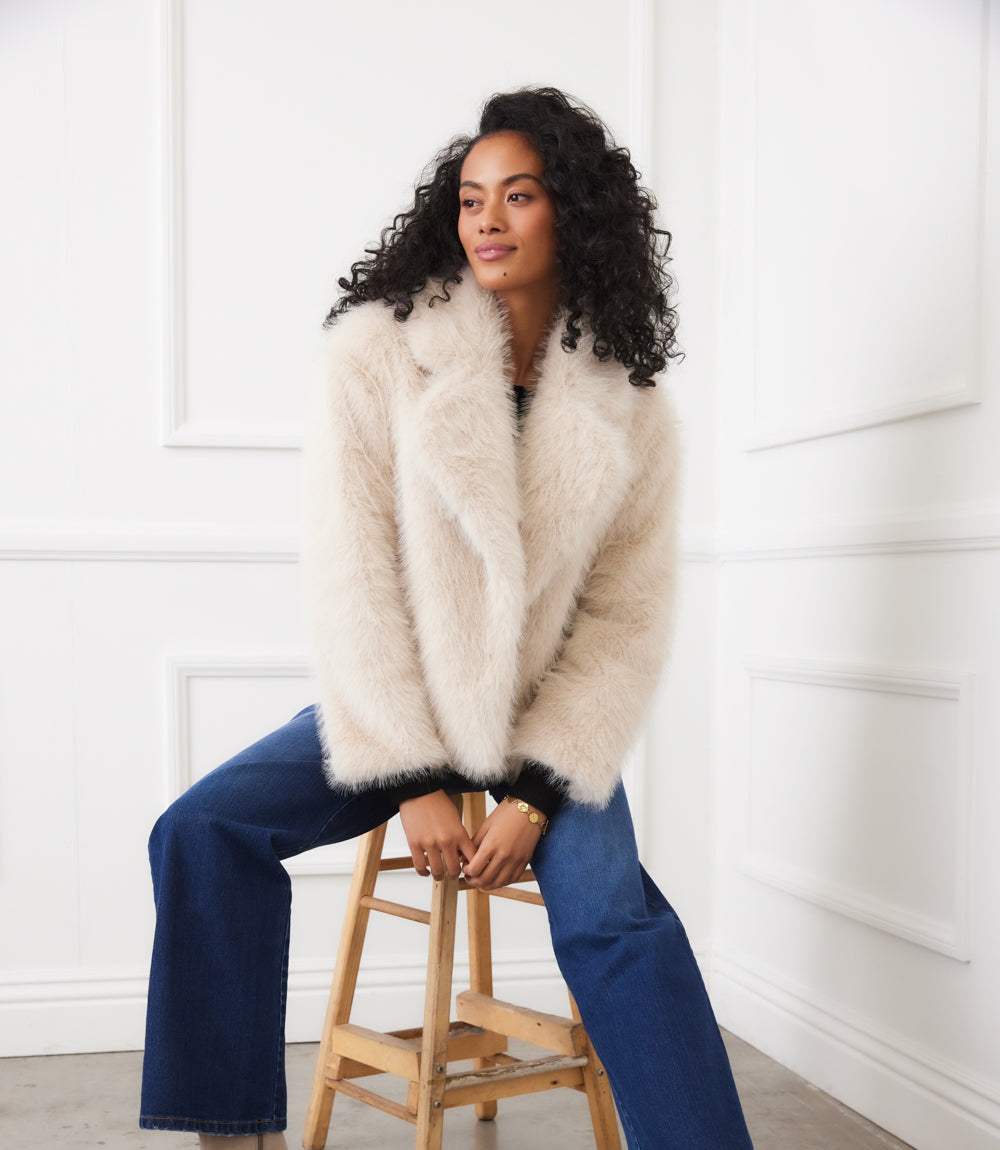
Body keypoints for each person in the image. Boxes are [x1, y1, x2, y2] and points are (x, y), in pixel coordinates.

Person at [139, 85, 755, 1149]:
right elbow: (354, 579)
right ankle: (232, 1133)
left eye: (519, 195)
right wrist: (410, 775)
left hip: (541, 727)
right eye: (472, 197)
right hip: (397, 704)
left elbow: (620, 625)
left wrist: (531, 795)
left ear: (573, 214)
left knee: (614, 916)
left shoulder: (631, 408)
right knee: (200, 828)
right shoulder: (375, 357)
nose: (488, 219)